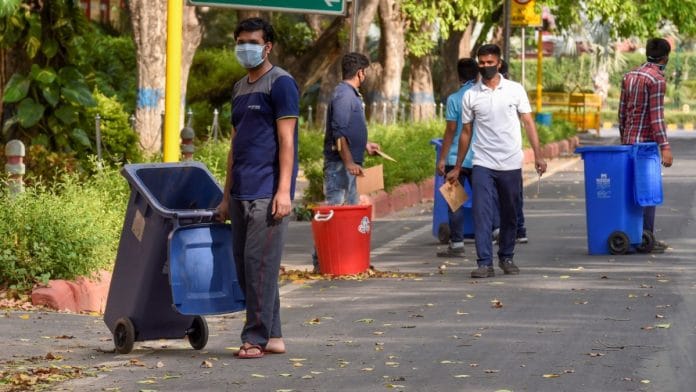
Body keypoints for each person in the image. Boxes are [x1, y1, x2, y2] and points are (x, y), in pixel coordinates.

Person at [216, 17, 299, 359]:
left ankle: (255, 337)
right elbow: (235, 146)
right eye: (240, 41)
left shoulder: (280, 84)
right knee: (248, 266)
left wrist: (284, 191)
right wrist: (225, 196)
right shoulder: (239, 88)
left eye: (252, 41)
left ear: (268, 46)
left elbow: (287, 140)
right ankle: (273, 334)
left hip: (267, 192)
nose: (244, 47)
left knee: (258, 265)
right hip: (240, 192)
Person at [446, 44, 547, 278]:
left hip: (510, 162)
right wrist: (459, 166)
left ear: (499, 63)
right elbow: (465, 132)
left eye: (490, 63)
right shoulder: (471, 95)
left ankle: (506, 257)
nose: (486, 67)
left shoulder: (515, 90)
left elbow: (528, 123)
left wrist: (538, 155)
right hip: (482, 162)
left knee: (510, 212)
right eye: (482, 63)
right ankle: (484, 263)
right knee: (482, 212)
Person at [311, 52, 380, 272]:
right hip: (340, 167)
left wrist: (365, 144)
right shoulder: (343, 96)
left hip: (349, 166)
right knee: (334, 214)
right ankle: (322, 261)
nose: (366, 75)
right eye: (366, 72)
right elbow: (339, 133)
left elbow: (349, 131)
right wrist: (349, 161)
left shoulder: (351, 95)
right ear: (360, 73)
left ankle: (347, 259)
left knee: (349, 215)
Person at [618, 37, 674, 252]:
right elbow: (656, 116)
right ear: (665, 57)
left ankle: (632, 232)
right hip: (646, 146)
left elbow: (622, 112)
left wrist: (625, 139)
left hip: (629, 143)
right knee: (648, 191)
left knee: (630, 189)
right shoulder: (657, 79)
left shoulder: (630, 75)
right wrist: (665, 147)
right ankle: (646, 236)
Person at [436, 58, 479, 257]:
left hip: (455, 158)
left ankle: (457, 244)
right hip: (480, 157)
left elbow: (451, 130)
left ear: (458, 75)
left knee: (455, 201)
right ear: (477, 74)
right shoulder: (482, 96)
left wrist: (442, 158)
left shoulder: (454, 98)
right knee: (483, 199)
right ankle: (493, 232)